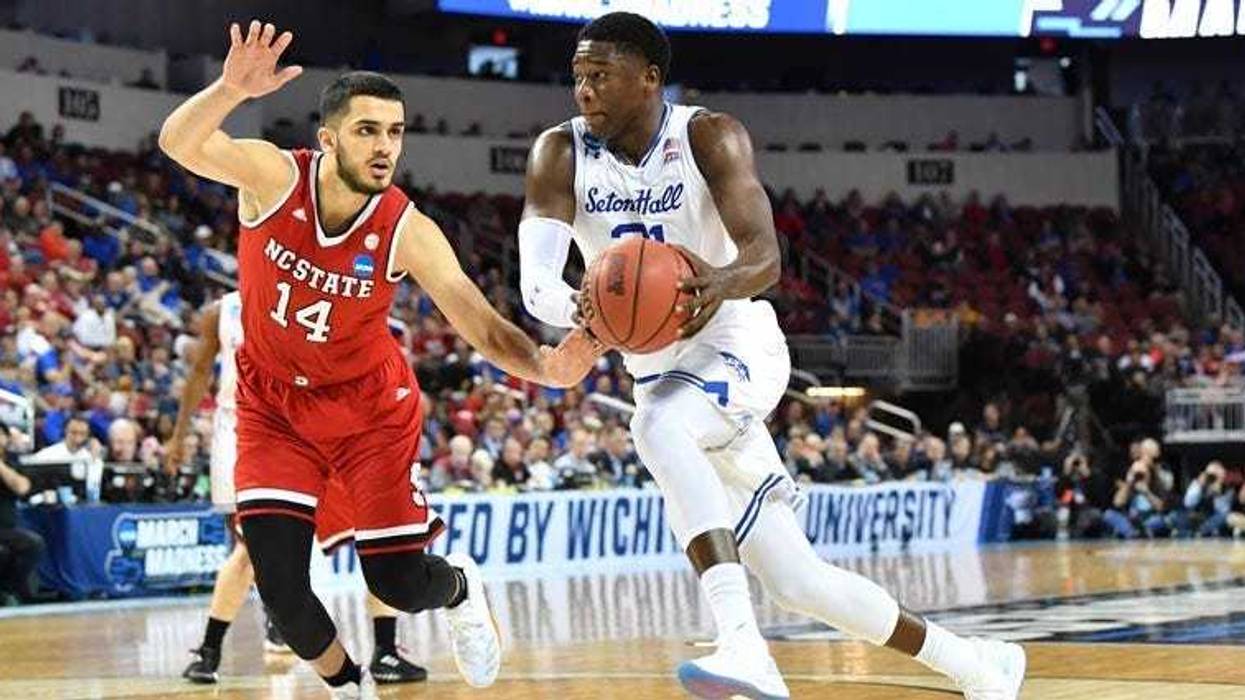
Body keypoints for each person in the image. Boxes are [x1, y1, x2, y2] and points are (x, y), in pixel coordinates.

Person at [518, 12, 1025, 700]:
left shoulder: (707, 134)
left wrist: (714, 282)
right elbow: (536, 283)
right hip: (660, 372)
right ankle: (977, 664)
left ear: (648, 79)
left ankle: (742, 645)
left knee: (656, 427)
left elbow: (765, 258)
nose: (583, 90)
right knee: (798, 582)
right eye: (577, 76)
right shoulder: (558, 152)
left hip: (737, 343)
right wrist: (580, 314)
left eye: (600, 75)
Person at [160, 21, 596, 697]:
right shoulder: (273, 177)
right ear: (327, 138)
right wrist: (227, 89)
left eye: (394, 132)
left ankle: (459, 587)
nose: (385, 146)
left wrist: (546, 365)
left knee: (394, 581)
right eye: (367, 130)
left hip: (368, 412)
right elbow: (178, 142)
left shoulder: (406, 229)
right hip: (272, 407)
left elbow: (478, 320)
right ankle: (349, 687)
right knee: (280, 592)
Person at [168, 292, 428, 685]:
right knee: (250, 551)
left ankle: (386, 651)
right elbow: (200, 372)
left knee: (376, 537)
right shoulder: (223, 311)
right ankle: (210, 650)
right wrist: (179, 434)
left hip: (323, 430)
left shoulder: (325, 291)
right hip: (254, 437)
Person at [0, 430, 43, 604]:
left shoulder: (12, 462)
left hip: (6, 529)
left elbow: (22, 487)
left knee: (34, 543)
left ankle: (7, 590)